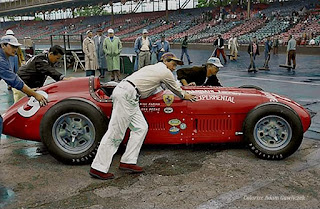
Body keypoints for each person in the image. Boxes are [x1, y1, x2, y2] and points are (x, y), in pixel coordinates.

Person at [89, 52, 197, 180]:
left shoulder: (153, 68)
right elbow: (175, 89)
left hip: (130, 94)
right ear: (166, 61)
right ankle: (98, 168)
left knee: (141, 127)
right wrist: (186, 95)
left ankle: (128, 161)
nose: (174, 68)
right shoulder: (164, 72)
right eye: (173, 64)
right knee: (116, 133)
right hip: (127, 94)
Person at [0, 35, 47, 136]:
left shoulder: (5, 58)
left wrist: (29, 90)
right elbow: (15, 81)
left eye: (16, 47)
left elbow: (12, 77)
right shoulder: (1, 61)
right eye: (12, 46)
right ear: (3, 45)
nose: (15, 49)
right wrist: (35, 94)